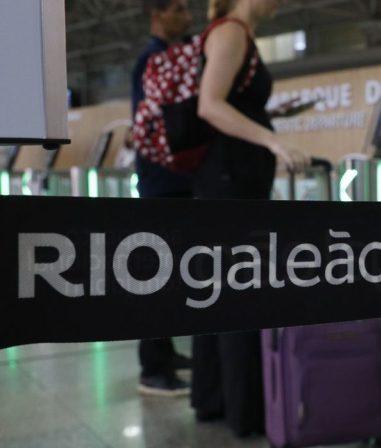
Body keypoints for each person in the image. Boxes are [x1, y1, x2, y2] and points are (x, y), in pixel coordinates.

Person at [190, 0, 309, 437]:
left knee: (219, 291)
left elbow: (230, 103)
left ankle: (215, 400)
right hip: (229, 180)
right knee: (239, 290)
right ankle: (244, 410)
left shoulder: (236, 33)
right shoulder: (232, 31)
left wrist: (270, 118)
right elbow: (209, 105)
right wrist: (273, 142)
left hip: (229, 178)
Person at [131, 0, 194, 398]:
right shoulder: (151, 60)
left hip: (175, 181)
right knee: (156, 275)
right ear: (158, 14)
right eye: (179, 10)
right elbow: (152, 121)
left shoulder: (166, 57)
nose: (187, 18)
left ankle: (165, 353)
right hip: (160, 183)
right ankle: (152, 367)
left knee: (170, 275)